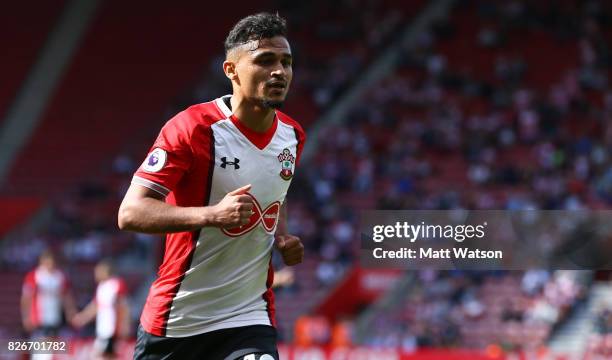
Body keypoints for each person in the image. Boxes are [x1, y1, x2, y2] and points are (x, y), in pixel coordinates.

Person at [118, 12, 305, 360]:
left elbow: (277, 192)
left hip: (248, 317)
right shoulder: (191, 128)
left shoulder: (292, 135)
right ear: (231, 71)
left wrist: (281, 236)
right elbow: (130, 213)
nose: (279, 71)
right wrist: (212, 214)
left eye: (286, 62)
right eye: (265, 60)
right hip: (177, 322)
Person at [71, 259, 130, 359]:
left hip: (112, 328)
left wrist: (125, 324)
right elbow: (95, 306)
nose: (95, 274)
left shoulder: (116, 284)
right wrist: (82, 318)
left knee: (97, 355)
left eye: (97, 271)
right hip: (102, 328)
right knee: (109, 356)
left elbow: (124, 306)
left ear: (105, 271)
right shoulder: (101, 287)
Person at [21, 250, 76, 339]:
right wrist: (26, 317)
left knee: (53, 341)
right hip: (38, 317)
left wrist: (70, 311)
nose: (50, 265)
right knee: (40, 342)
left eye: (52, 263)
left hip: (55, 316)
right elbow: (26, 298)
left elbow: (66, 296)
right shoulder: (33, 276)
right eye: (47, 263)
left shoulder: (60, 276)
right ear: (42, 262)